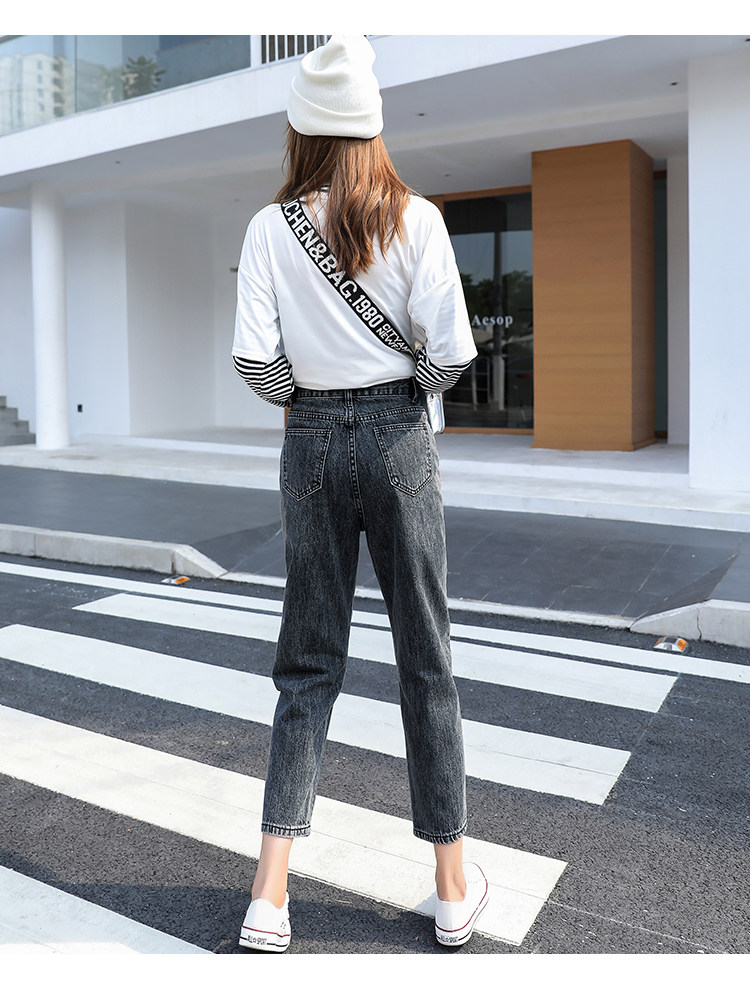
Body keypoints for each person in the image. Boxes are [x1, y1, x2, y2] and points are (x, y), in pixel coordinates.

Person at [232, 35, 488, 952]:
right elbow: (453, 353)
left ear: (303, 130)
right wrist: (397, 395)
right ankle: (452, 889)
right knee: (427, 658)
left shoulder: (269, 229)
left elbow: (253, 361)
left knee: (307, 661)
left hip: (309, 440)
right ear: (372, 128)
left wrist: (309, 403)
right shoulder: (416, 218)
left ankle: (269, 897)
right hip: (397, 436)